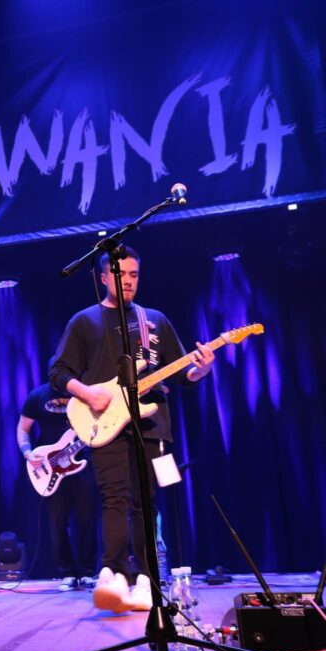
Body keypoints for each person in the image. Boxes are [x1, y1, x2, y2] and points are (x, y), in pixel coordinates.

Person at [49, 247, 214, 613]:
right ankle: (113, 574)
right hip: (105, 423)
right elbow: (58, 372)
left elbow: (183, 374)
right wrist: (86, 393)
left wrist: (201, 369)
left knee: (145, 502)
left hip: (151, 424)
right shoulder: (84, 321)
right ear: (103, 277)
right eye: (120, 274)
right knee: (114, 498)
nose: (128, 281)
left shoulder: (153, 320)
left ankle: (145, 580)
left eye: (134, 275)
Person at [17, 382, 98, 591]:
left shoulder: (82, 392)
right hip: (49, 465)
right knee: (57, 522)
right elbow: (23, 428)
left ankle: (87, 572)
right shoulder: (37, 396)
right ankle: (67, 573)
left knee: (87, 518)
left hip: (81, 458)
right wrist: (27, 453)